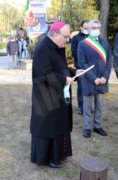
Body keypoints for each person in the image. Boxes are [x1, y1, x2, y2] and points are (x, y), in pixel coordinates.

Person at [30, 21, 82, 168]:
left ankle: (58, 155)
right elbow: (43, 74)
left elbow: (61, 67)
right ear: (55, 34)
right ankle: (49, 159)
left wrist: (74, 72)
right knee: (49, 127)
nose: (67, 40)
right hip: (46, 96)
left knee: (59, 124)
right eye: (65, 37)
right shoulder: (43, 48)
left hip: (58, 93)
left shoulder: (57, 47)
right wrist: (64, 79)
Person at [78, 20, 112, 138]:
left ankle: (97, 126)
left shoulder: (105, 43)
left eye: (98, 27)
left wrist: (105, 77)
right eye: (93, 27)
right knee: (87, 106)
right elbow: (82, 63)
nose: (96, 29)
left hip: (102, 80)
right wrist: (94, 78)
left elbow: (109, 62)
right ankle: (87, 127)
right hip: (88, 80)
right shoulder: (83, 44)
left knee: (99, 105)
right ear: (88, 29)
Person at [71, 20, 89, 115]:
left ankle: (88, 106)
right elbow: (74, 52)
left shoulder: (92, 37)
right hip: (80, 66)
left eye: (88, 28)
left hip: (90, 67)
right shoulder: (75, 38)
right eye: (85, 28)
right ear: (81, 27)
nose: (87, 29)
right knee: (81, 87)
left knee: (89, 87)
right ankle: (81, 107)